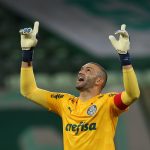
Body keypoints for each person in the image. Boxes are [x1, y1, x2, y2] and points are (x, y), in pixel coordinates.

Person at [20, 21, 140, 150]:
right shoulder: (64, 102)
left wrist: (124, 57)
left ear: (99, 81)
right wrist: (27, 53)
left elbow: (132, 94)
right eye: (82, 69)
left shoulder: (108, 102)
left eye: (88, 70)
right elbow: (29, 91)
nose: (81, 71)